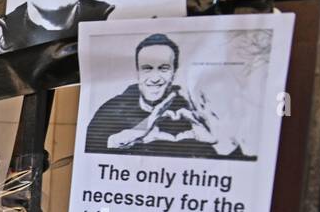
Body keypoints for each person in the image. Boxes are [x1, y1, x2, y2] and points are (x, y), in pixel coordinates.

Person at [84, 33, 250, 159]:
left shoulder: (192, 111)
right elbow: (83, 158)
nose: (155, 78)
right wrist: (123, 138)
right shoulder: (112, 110)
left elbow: (232, 168)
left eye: (163, 68)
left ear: (174, 72)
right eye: (147, 68)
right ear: (137, 72)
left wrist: (217, 142)